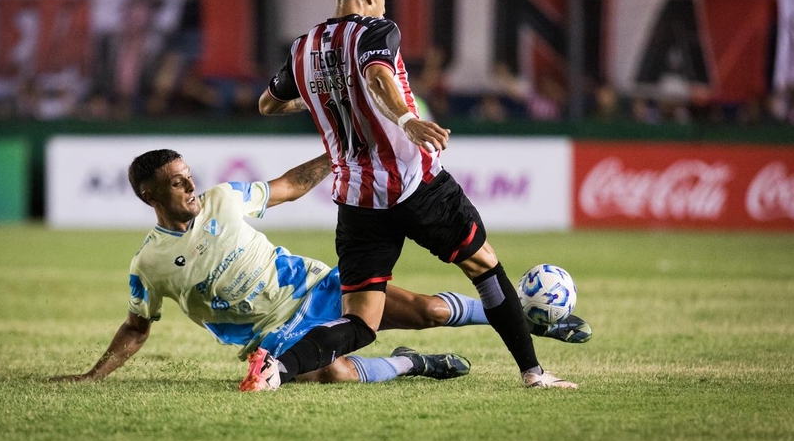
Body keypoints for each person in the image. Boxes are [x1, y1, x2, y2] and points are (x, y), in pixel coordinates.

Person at [256, 0, 585, 391]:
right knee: (484, 267)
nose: (385, 3)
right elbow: (377, 75)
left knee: (361, 322)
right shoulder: (376, 30)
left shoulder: (303, 48)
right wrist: (407, 120)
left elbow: (268, 104)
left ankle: (275, 370)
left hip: (357, 199)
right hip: (417, 184)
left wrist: (324, 94)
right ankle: (533, 373)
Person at [50, 149, 586, 387]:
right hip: (274, 333)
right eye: (177, 182)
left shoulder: (223, 199)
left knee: (427, 310)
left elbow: (286, 186)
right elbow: (136, 327)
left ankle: (528, 318)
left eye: (189, 175)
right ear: (150, 195)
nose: (191, 186)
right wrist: (93, 376)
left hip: (315, 286)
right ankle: (412, 365)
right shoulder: (149, 264)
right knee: (330, 373)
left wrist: (336, 154)